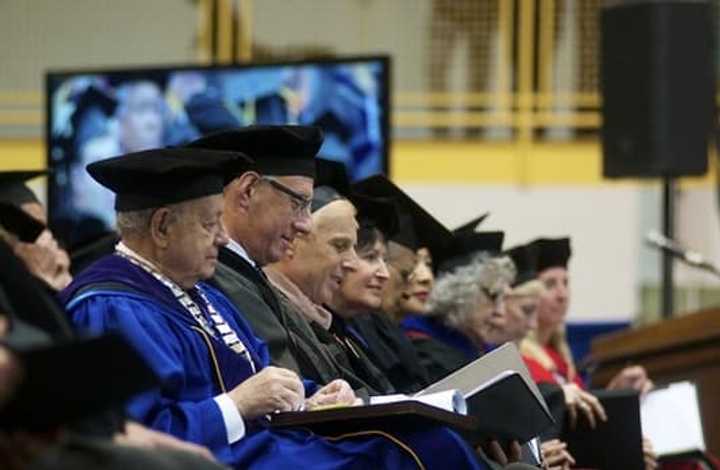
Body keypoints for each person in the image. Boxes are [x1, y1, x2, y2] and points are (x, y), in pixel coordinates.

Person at [60, 147, 492, 469]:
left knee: (428, 438)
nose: (222, 238)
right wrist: (237, 405)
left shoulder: (202, 295)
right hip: (219, 460)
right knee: (413, 451)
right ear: (162, 227)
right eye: (210, 224)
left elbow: (261, 374)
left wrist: (313, 396)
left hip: (267, 445)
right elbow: (129, 437)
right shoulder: (111, 306)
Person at [190, 126, 381, 394]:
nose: (305, 225)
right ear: (248, 191)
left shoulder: (252, 278)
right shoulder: (214, 281)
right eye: (298, 204)